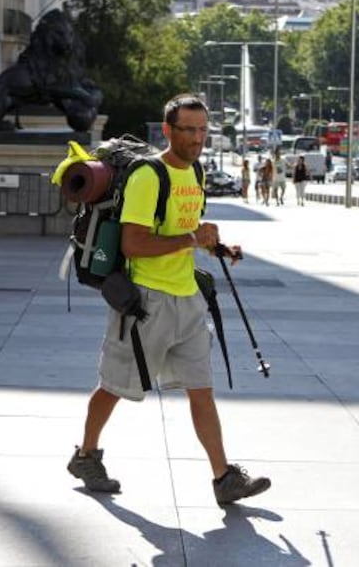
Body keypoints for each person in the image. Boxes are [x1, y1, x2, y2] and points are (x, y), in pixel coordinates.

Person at [67, 94, 271, 508]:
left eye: (202, 130)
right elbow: (134, 242)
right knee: (115, 386)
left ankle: (224, 478)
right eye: (188, 130)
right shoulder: (148, 176)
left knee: (202, 391)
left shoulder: (194, 173)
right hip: (145, 304)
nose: (197, 139)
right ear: (168, 130)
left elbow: (184, 230)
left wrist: (217, 248)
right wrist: (192, 239)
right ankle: (85, 455)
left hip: (188, 300)